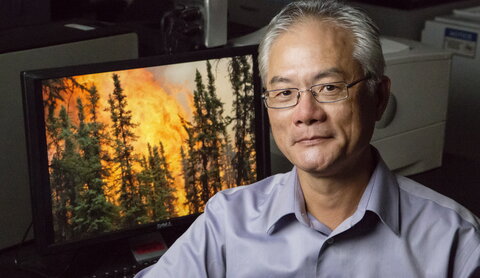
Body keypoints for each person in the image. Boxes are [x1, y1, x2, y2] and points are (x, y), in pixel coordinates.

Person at [135, 0, 480, 277]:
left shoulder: (456, 242)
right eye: (285, 92)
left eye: (329, 87)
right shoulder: (227, 222)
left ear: (378, 98)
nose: (306, 112)